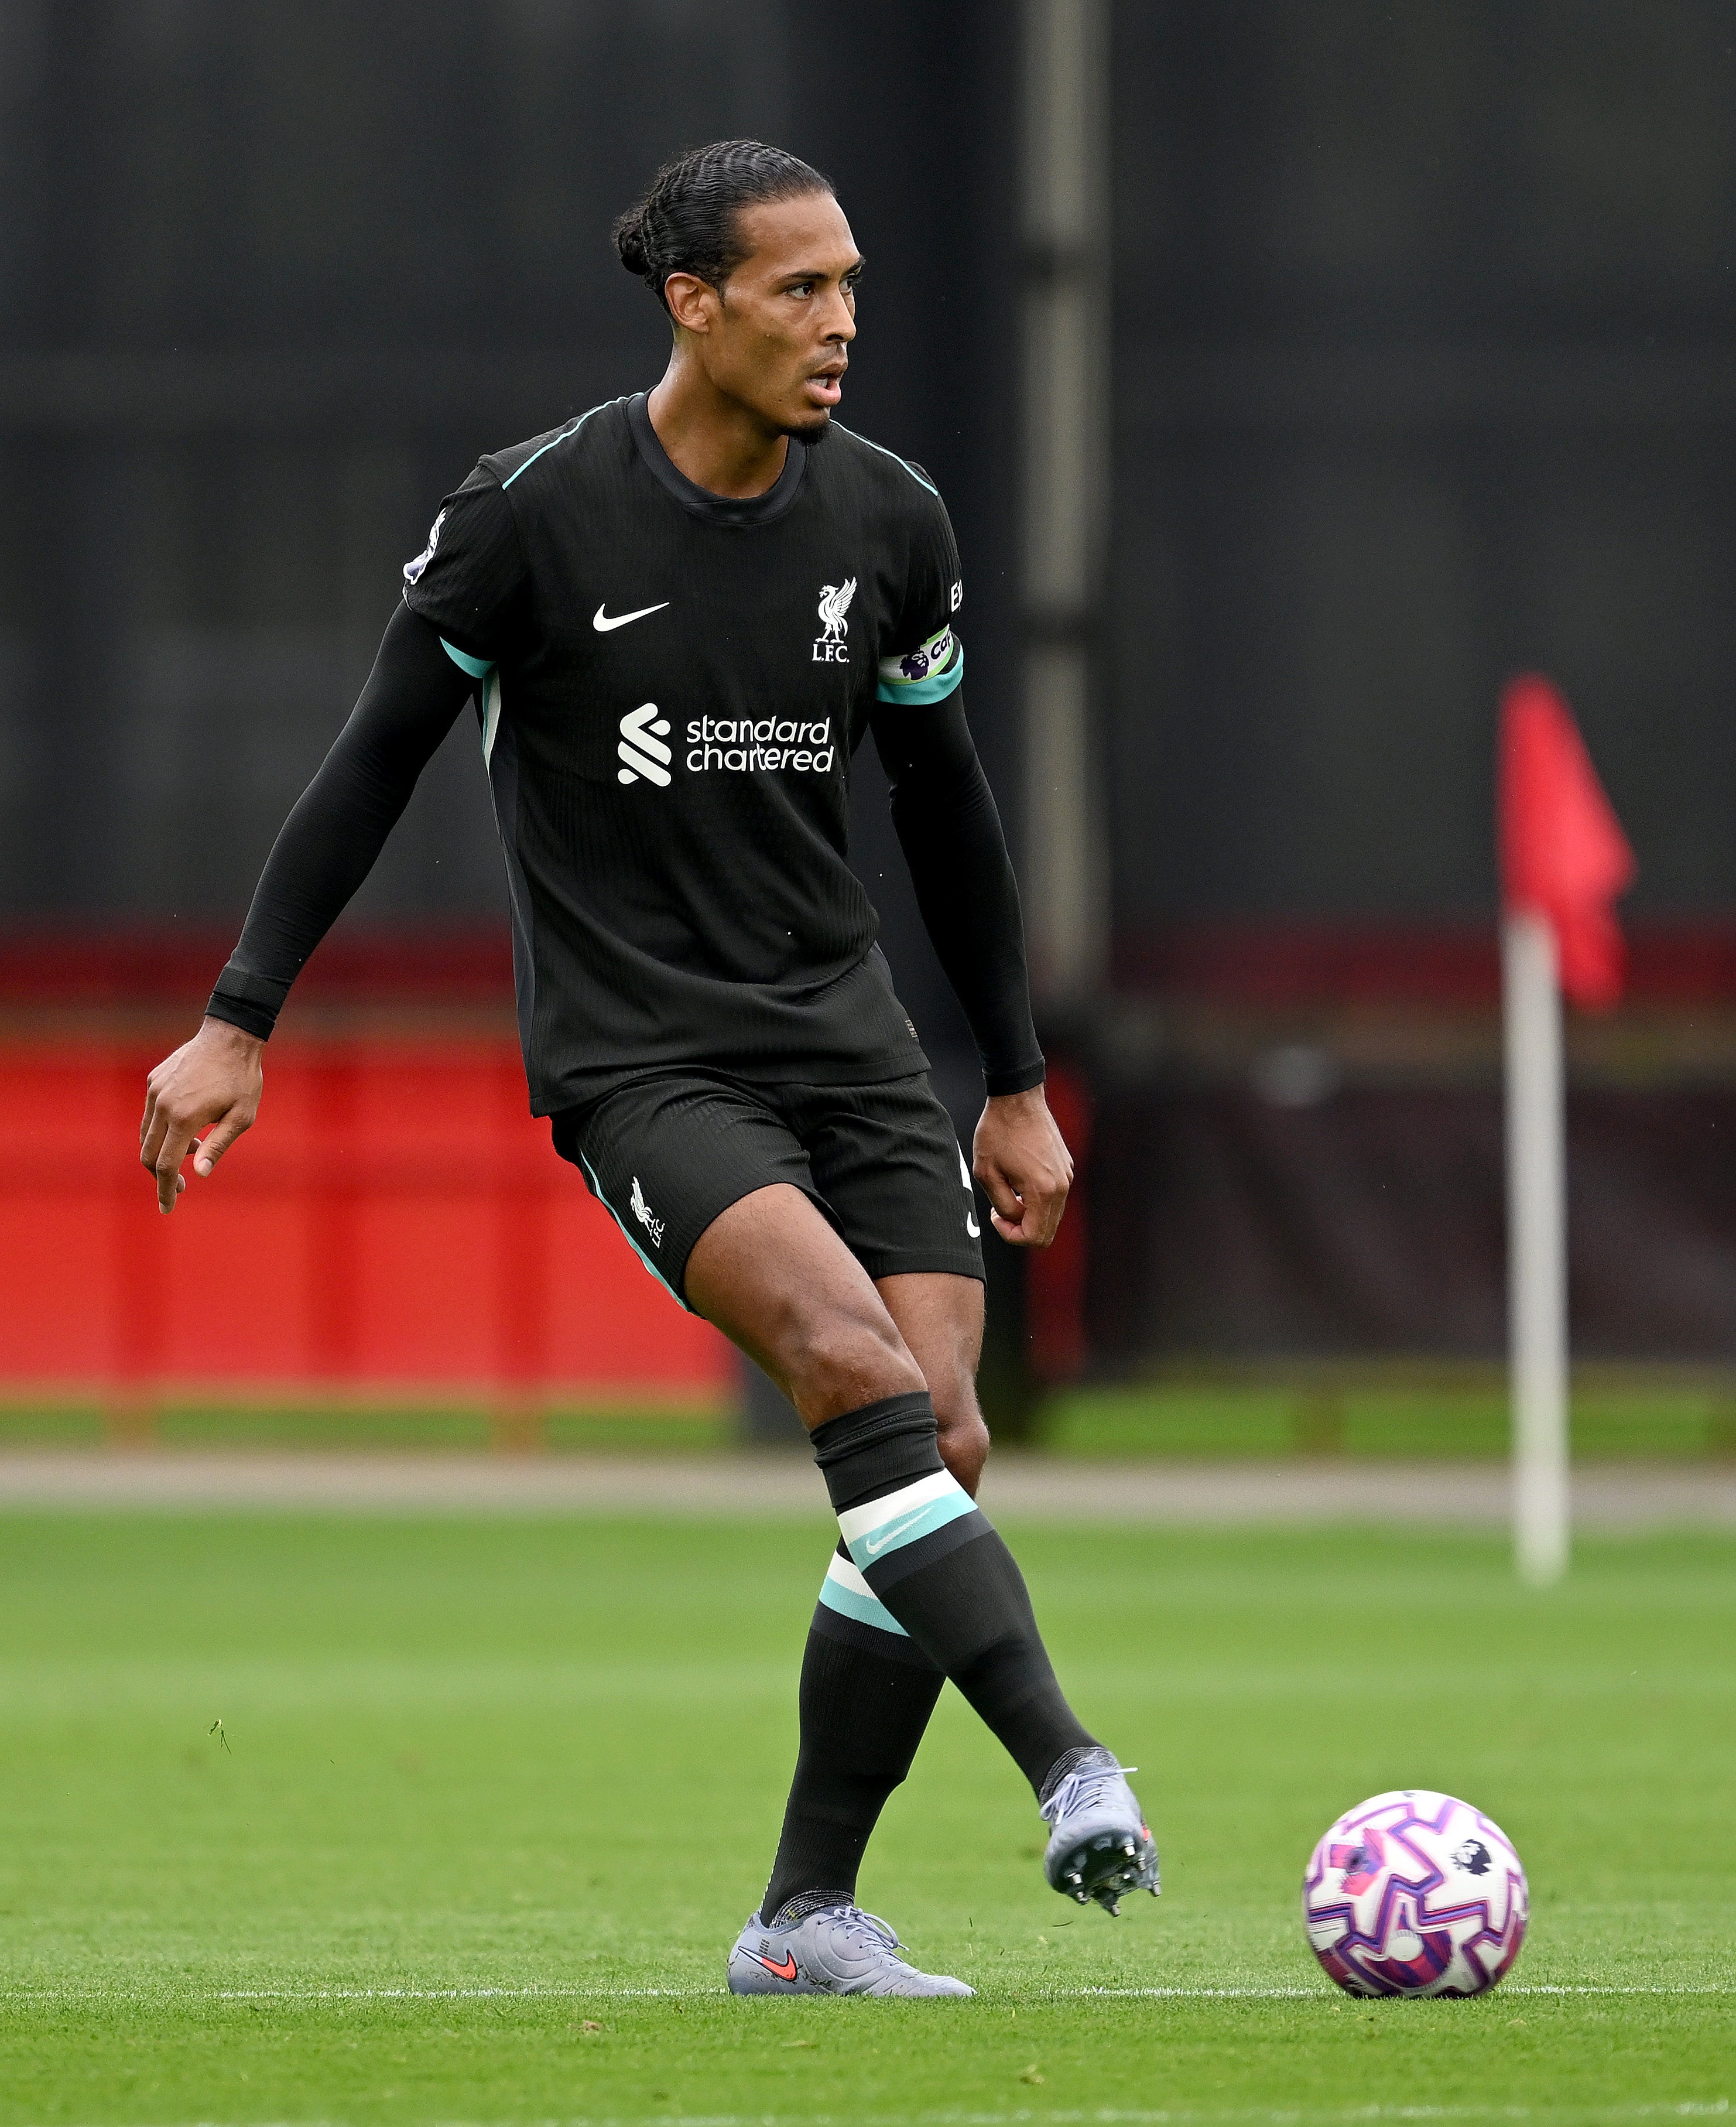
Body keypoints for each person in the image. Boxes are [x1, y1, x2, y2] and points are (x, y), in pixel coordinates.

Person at [136, 139, 1155, 1999]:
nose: (841, 324)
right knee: (847, 1369)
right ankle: (1070, 1759)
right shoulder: (528, 517)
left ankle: (801, 1921)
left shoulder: (894, 522)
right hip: (643, 1057)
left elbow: (950, 813)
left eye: (852, 285)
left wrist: (1010, 1080)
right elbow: (370, 763)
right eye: (798, 290)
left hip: (847, 1040)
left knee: (936, 1435)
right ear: (693, 302)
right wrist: (239, 1016)